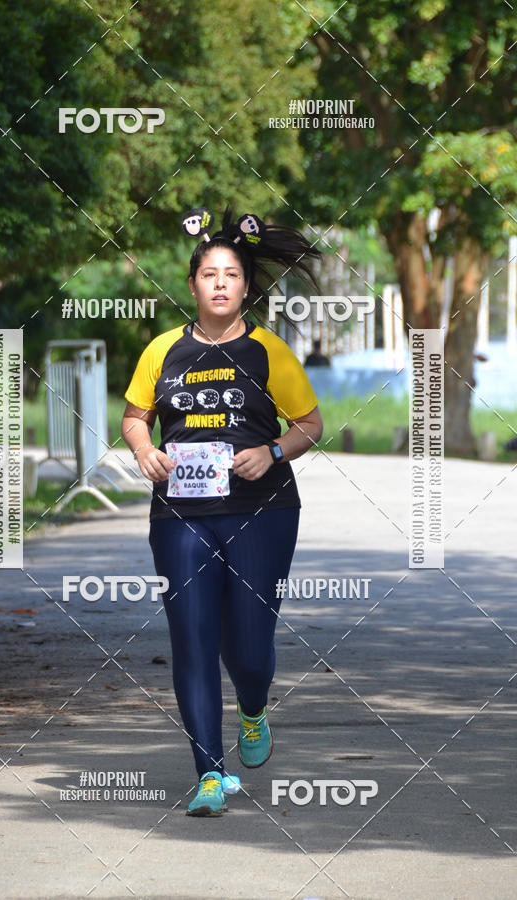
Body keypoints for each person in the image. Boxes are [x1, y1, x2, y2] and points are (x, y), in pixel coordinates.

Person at [120, 206, 323, 817]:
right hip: (180, 514)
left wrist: (272, 451)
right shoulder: (162, 350)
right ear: (192, 285)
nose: (219, 284)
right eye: (208, 274)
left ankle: (254, 708)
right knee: (193, 638)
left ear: (245, 287)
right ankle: (210, 772)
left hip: (262, 511)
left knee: (250, 645)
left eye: (231, 275)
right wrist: (145, 451)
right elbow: (134, 416)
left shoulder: (269, 353)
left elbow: (310, 424)